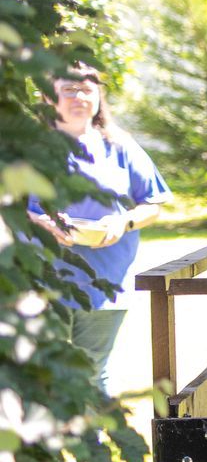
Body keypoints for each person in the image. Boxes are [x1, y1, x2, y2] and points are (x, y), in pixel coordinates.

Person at [28, 63, 171, 392]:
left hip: (104, 283)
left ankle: (90, 444)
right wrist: (41, 222)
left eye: (87, 89)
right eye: (68, 89)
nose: (78, 96)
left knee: (92, 375)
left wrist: (124, 221)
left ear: (98, 96)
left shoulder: (120, 146)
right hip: (39, 282)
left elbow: (154, 203)